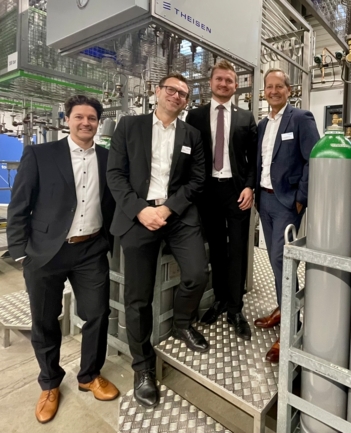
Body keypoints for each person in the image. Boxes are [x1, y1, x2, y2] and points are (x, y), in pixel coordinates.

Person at [7, 95, 118, 424]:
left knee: (97, 313)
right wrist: (20, 251)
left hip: (90, 249)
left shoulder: (108, 158)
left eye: (92, 118)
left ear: (98, 123)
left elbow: (112, 202)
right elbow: (19, 204)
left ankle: (89, 375)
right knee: (44, 320)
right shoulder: (40, 154)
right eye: (79, 117)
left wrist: (109, 241)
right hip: (46, 251)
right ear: (67, 120)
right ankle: (50, 383)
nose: (86, 123)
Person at [107, 73, 209, 408]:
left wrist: (167, 209)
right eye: (171, 90)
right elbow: (115, 174)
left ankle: (182, 323)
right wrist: (140, 210)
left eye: (183, 94)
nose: (177, 96)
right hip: (138, 214)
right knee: (138, 297)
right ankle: (143, 367)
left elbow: (197, 180)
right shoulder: (129, 126)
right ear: (157, 92)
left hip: (177, 215)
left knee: (197, 273)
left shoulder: (191, 134)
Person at [185, 60, 258, 341]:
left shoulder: (246, 117)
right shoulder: (195, 116)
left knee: (238, 249)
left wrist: (249, 186)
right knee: (216, 248)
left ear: (236, 85)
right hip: (208, 192)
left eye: (229, 80)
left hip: (237, 191)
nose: (224, 84)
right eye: (219, 79)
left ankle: (235, 309)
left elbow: (254, 158)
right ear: (211, 83)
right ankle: (219, 300)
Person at [254, 69, 320, 363]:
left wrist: (301, 198)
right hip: (264, 200)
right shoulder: (262, 125)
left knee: (283, 261)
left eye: (279, 86)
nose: (274, 91)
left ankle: (292, 326)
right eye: (269, 87)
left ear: (289, 90)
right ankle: (283, 309)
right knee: (274, 259)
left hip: (286, 202)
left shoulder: (301, 118)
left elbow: (313, 158)